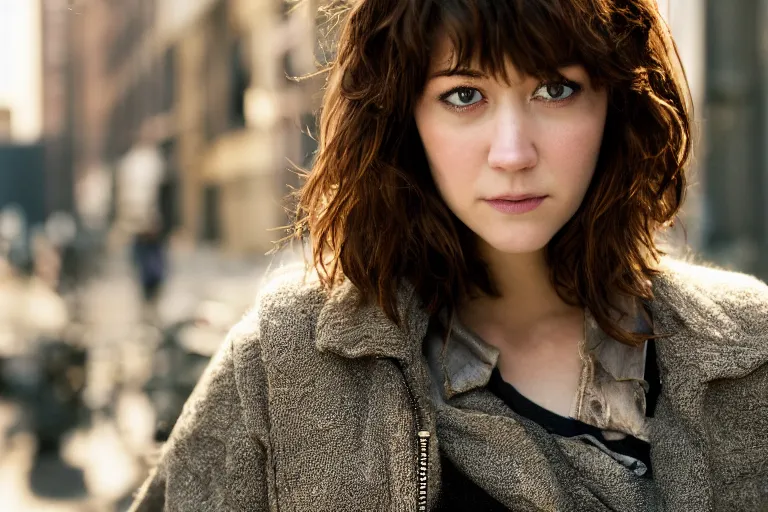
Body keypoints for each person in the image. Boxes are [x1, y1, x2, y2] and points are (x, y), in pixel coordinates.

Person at [129, 0, 768, 510]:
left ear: (617, 101)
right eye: (464, 95)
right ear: (403, 115)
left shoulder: (751, 350)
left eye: (555, 89)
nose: (513, 152)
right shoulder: (286, 360)